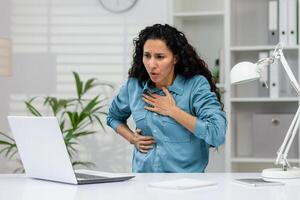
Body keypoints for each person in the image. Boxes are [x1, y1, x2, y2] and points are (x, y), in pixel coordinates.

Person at [106, 24, 227, 173]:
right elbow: (113, 117)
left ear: (175, 58)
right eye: (147, 56)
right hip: (143, 183)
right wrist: (132, 138)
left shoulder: (195, 85)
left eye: (160, 57)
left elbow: (217, 134)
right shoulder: (134, 86)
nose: (151, 64)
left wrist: (173, 111)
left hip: (187, 185)